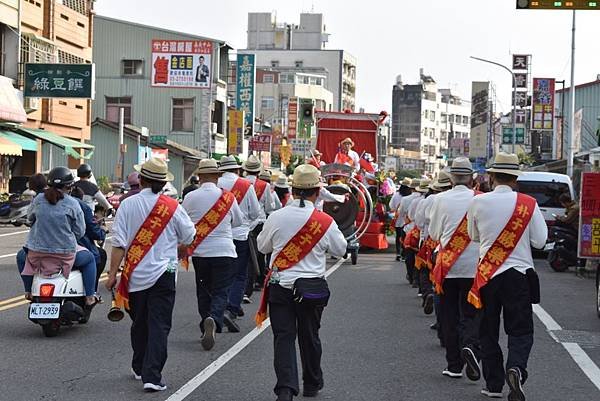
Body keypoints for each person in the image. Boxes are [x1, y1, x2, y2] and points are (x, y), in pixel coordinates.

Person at [256, 164, 347, 401]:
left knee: (284, 337)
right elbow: (341, 249)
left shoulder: (277, 217)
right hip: (311, 289)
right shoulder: (324, 221)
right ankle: (312, 383)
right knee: (310, 336)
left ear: (293, 190)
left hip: (281, 286)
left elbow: (262, 247)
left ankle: (286, 389)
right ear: (318, 191)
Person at [106, 157, 195, 392]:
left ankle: (139, 366)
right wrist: (176, 252)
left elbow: (118, 244)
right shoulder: (173, 206)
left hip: (135, 274)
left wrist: (112, 273)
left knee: (140, 322)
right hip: (165, 273)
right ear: (163, 183)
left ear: (142, 179)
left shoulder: (127, 204)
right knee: (159, 325)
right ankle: (152, 376)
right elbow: (189, 236)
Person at [466, 152, 547, 400]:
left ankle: (493, 385)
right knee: (520, 330)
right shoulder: (528, 204)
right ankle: (516, 369)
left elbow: (474, 236)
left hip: (488, 275)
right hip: (519, 276)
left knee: (488, 330)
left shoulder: (478, 202)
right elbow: (540, 241)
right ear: (516, 178)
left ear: (491, 177)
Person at [428, 157, 482, 383]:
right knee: (471, 313)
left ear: (450, 177)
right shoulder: (481, 199)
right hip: (474, 266)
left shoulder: (439, 199)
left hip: (448, 266)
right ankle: (469, 345)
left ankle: (453, 365)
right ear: (471, 178)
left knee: (448, 315)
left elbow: (433, 234)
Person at [181, 159, 243, 351]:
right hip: (225, 250)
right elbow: (238, 221)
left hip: (200, 252)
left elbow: (182, 222)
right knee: (221, 291)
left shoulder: (190, 197)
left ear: (199, 176)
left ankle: (205, 323)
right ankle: (214, 320)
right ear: (217, 177)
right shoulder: (228, 197)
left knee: (204, 290)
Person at [18, 167, 97, 306]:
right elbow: (80, 231)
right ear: (69, 186)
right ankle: (90, 296)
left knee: (20, 257)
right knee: (90, 259)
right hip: (64, 255)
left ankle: (28, 291)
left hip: (36, 255)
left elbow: (29, 220)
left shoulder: (38, 200)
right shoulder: (73, 203)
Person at [217, 155, 261, 329]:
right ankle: (232, 309)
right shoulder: (245, 185)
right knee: (239, 274)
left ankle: (216, 310)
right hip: (240, 235)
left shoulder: (216, 184)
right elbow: (255, 212)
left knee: (220, 275)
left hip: (218, 234)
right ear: (237, 169)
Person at [242, 155, 274, 297]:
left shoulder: (240, 184)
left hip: (241, 224)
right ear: (258, 171)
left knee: (243, 256)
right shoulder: (264, 185)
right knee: (260, 254)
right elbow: (269, 206)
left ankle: (245, 284)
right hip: (259, 222)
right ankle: (258, 280)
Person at [70, 187, 107, 293]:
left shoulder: (42, 201)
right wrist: (102, 232)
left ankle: (28, 291)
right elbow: (85, 231)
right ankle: (91, 293)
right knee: (95, 257)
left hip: (41, 250)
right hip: (70, 247)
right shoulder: (81, 206)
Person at [399, 179, 420, 284]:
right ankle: (417, 277)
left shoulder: (406, 199)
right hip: (421, 230)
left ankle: (411, 275)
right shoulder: (425, 199)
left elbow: (402, 213)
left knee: (409, 254)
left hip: (409, 229)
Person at [390, 178, 412, 260]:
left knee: (398, 236)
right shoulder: (410, 196)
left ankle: (398, 253)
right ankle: (404, 253)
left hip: (398, 219)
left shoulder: (396, 195)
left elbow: (391, 206)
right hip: (408, 220)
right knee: (406, 237)